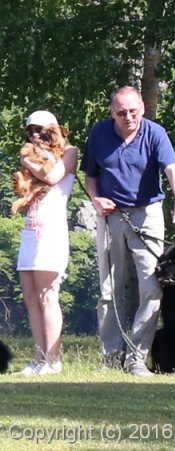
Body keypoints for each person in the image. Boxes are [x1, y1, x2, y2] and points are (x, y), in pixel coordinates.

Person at [81, 86, 175, 377]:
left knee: (152, 286)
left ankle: (136, 359)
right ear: (111, 112)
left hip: (148, 214)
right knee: (109, 289)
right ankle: (111, 358)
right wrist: (95, 199)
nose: (128, 117)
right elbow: (90, 176)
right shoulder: (99, 133)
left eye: (133, 111)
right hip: (111, 214)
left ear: (142, 107)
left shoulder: (155, 133)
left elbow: (172, 170)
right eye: (121, 112)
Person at [16, 110, 77, 376]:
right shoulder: (33, 156)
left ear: (53, 128)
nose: (36, 136)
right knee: (30, 297)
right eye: (31, 131)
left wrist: (25, 160)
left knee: (47, 295)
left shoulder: (69, 152)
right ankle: (38, 358)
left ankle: (53, 360)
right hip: (31, 228)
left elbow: (52, 177)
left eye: (40, 130)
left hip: (51, 230)